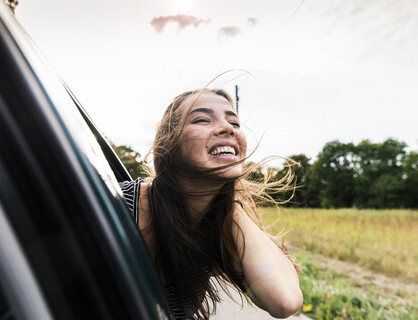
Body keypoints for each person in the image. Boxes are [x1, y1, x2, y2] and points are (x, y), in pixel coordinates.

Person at [120, 88, 302, 319]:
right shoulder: (121, 203)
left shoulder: (217, 231)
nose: (228, 128)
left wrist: (229, 201)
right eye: (202, 119)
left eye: (234, 123)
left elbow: (285, 301)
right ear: (168, 145)